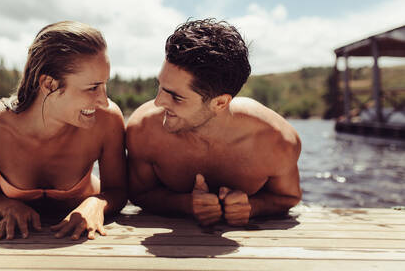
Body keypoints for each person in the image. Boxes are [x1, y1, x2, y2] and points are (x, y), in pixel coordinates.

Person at [0, 21, 127, 240]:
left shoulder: (106, 120)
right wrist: (8, 207)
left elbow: (117, 192)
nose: (104, 101)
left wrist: (95, 203)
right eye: (93, 88)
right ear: (49, 84)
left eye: (105, 85)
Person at [126, 19, 302, 226]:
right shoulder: (143, 130)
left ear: (220, 103)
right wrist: (185, 204)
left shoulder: (276, 140)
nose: (158, 102)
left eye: (176, 97)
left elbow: (289, 197)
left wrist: (253, 207)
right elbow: (139, 194)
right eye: (161, 86)